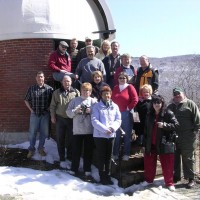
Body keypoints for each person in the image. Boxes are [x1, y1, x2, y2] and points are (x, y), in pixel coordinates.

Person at [143, 95, 179, 192]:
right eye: (154, 102)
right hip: (151, 142)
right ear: (152, 104)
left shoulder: (168, 113)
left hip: (165, 142)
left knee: (167, 163)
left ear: (162, 103)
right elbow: (146, 130)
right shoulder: (149, 114)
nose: (156, 104)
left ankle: (169, 183)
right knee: (149, 162)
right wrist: (145, 143)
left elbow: (176, 125)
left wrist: (165, 125)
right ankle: (149, 180)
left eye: (158, 102)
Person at [167, 87, 200, 188]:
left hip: (188, 137)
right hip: (174, 137)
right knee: (175, 158)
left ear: (183, 94)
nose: (177, 96)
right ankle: (176, 177)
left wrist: (194, 132)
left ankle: (191, 179)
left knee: (189, 158)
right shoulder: (170, 106)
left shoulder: (190, 104)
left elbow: (197, 120)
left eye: (179, 94)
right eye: (175, 94)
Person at [91, 86, 121, 185]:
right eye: (104, 94)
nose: (106, 95)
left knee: (109, 157)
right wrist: (105, 129)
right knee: (101, 156)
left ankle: (107, 176)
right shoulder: (96, 106)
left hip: (111, 135)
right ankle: (102, 176)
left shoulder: (115, 106)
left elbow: (118, 119)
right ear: (101, 95)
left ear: (110, 94)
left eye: (108, 93)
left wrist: (112, 128)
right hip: (100, 136)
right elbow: (94, 120)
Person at [66, 82, 97, 178]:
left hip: (89, 131)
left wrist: (91, 111)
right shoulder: (75, 101)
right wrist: (75, 111)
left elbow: (99, 114)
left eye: (87, 90)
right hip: (77, 131)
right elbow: (68, 113)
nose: (85, 92)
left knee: (88, 151)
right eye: (83, 90)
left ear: (90, 91)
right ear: (81, 91)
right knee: (76, 151)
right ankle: (74, 168)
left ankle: (87, 169)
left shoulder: (93, 102)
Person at [50, 75, 80, 169]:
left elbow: (80, 103)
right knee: (60, 139)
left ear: (71, 82)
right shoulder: (56, 93)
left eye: (68, 81)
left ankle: (70, 157)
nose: (67, 83)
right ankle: (62, 158)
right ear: (62, 82)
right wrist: (52, 116)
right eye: (65, 81)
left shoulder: (75, 92)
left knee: (71, 139)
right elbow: (53, 106)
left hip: (72, 119)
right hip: (60, 119)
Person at [24, 71, 53, 158]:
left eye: (41, 77)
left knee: (43, 133)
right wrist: (31, 110)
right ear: (36, 78)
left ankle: (41, 148)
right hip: (34, 114)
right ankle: (31, 149)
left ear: (44, 78)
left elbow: (53, 102)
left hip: (45, 115)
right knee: (32, 133)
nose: (40, 78)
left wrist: (49, 109)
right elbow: (26, 100)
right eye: (38, 77)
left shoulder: (49, 89)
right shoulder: (31, 88)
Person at [112, 72, 138, 161]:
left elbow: (135, 99)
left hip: (126, 114)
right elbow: (111, 99)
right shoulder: (115, 88)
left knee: (127, 134)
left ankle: (126, 154)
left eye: (124, 78)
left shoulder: (130, 87)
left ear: (127, 79)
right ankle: (115, 153)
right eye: (120, 78)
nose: (122, 79)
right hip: (116, 114)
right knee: (117, 134)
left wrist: (128, 108)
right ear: (118, 79)